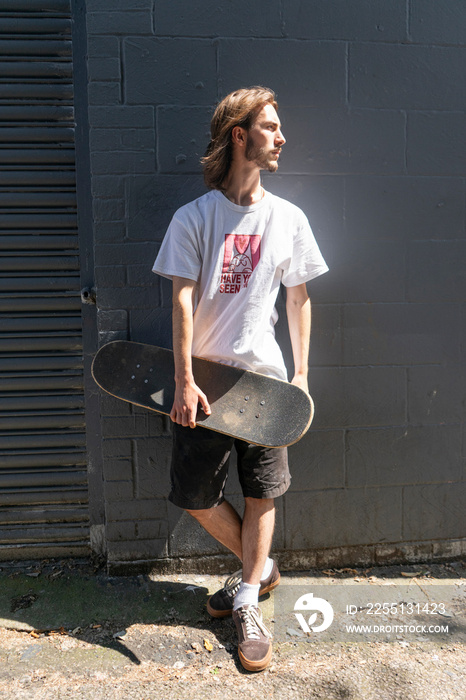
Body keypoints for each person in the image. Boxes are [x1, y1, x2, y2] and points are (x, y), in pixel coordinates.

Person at [152, 86, 328, 672]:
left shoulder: (288, 218)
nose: (281, 138)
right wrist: (182, 379)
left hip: (267, 388)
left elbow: (299, 299)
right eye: (270, 127)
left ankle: (248, 598)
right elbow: (179, 300)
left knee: (263, 494)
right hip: (204, 383)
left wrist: (301, 374)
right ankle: (262, 567)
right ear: (239, 136)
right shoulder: (193, 218)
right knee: (195, 497)